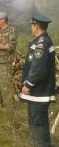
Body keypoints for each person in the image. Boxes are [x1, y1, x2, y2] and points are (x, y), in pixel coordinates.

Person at [20, 12, 56, 147]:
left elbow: (38, 70)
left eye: (32, 25)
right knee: (39, 127)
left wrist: (27, 85)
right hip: (38, 95)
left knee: (39, 129)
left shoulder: (42, 43)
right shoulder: (43, 41)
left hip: (38, 94)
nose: (31, 28)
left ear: (37, 26)